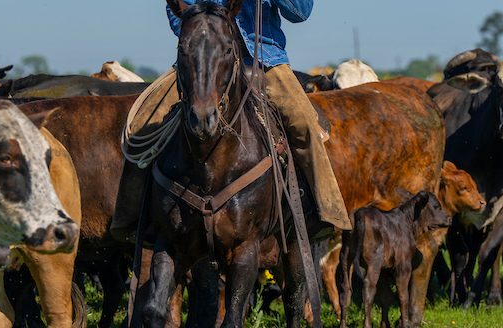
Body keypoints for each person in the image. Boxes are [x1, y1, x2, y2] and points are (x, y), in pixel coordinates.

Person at [110, 0, 351, 242]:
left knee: (305, 124)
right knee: (142, 123)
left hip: (264, 60)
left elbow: (300, 12)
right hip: (205, 60)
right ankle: (129, 221)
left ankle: (328, 214)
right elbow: (177, 16)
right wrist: (204, 31)